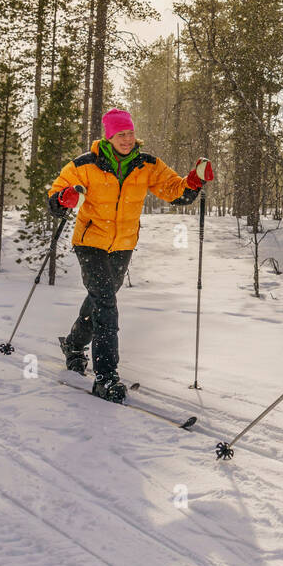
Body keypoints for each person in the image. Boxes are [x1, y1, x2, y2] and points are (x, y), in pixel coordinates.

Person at [48, 107, 214, 402]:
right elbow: (57, 196)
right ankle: (106, 378)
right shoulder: (85, 165)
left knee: (101, 300)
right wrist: (65, 198)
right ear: (109, 136)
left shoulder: (146, 165)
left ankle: (73, 345)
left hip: (123, 245)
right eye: (120, 134)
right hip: (90, 242)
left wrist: (193, 180)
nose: (127, 139)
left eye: (130, 133)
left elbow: (175, 191)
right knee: (107, 306)